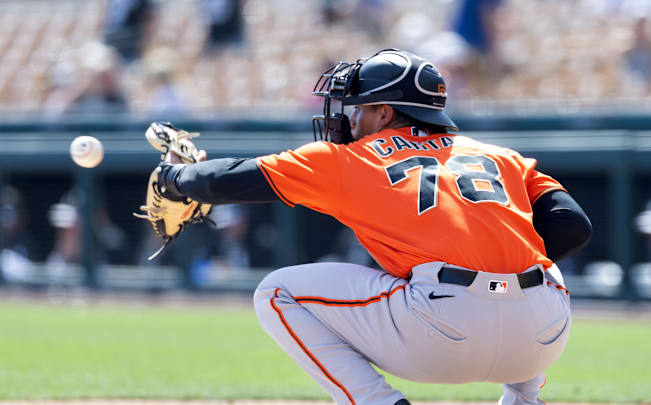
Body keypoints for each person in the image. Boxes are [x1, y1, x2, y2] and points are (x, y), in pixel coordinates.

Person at [153, 49, 592, 404]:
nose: (347, 119)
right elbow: (573, 227)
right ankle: (525, 398)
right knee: (533, 266)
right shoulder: (502, 157)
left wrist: (172, 178)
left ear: (384, 113)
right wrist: (497, 278)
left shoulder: (352, 159)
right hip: (541, 336)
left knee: (276, 292)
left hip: (441, 335)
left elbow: (229, 180)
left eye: (356, 108)